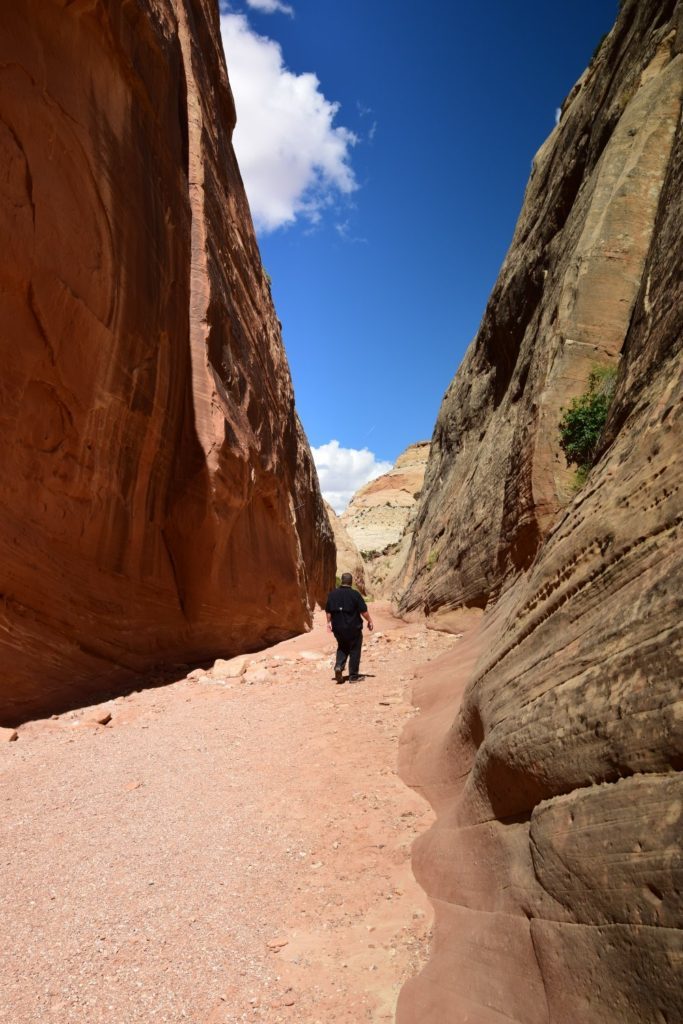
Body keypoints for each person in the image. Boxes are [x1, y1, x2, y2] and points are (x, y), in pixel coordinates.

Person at [325, 572, 374, 683]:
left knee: (342, 647)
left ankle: (339, 666)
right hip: (353, 628)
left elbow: (328, 611)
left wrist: (328, 623)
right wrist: (369, 620)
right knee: (354, 650)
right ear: (351, 582)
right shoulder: (355, 594)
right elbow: (363, 611)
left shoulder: (332, 594)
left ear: (342, 581)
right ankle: (353, 676)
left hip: (338, 628)